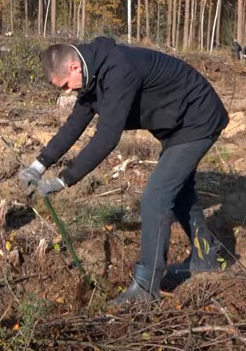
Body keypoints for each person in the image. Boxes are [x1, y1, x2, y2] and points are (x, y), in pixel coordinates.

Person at [18, 37, 229, 305]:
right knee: (180, 192)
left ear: (73, 68)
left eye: (66, 86)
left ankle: (146, 287)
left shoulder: (119, 70)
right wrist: (38, 166)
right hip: (178, 126)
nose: (68, 92)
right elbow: (75, 124)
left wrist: (63, 180)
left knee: (156, 199)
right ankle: (206, 257)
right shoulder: (91, 77)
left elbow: (107, 137)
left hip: (198, 120)